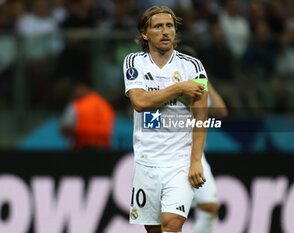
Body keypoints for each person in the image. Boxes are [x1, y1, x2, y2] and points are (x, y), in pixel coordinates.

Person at [123, 6, 209, 233]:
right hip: (146, 161)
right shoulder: (134, 63)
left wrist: (196, 161)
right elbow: (140, 102)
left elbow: (202, 117)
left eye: (169, 26)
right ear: (145, 33)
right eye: (158, 26)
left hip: (179, 162)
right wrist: (179, 88)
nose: (165, 31)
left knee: (171, 224)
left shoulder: (193, 67)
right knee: (154, 231)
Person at [177, 45, 228, 233]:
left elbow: (221, 111)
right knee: (171, 215)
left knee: (209, 207)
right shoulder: (171, 85)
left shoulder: (199, 87)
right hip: (172, 155)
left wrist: (206, 81)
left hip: (197, 156)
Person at [60, 81, 116, 151]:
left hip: (81, 149)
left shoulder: (76, 105)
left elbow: (64, 128)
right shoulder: (106, 105)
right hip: (104, 149)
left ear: (83, 87)